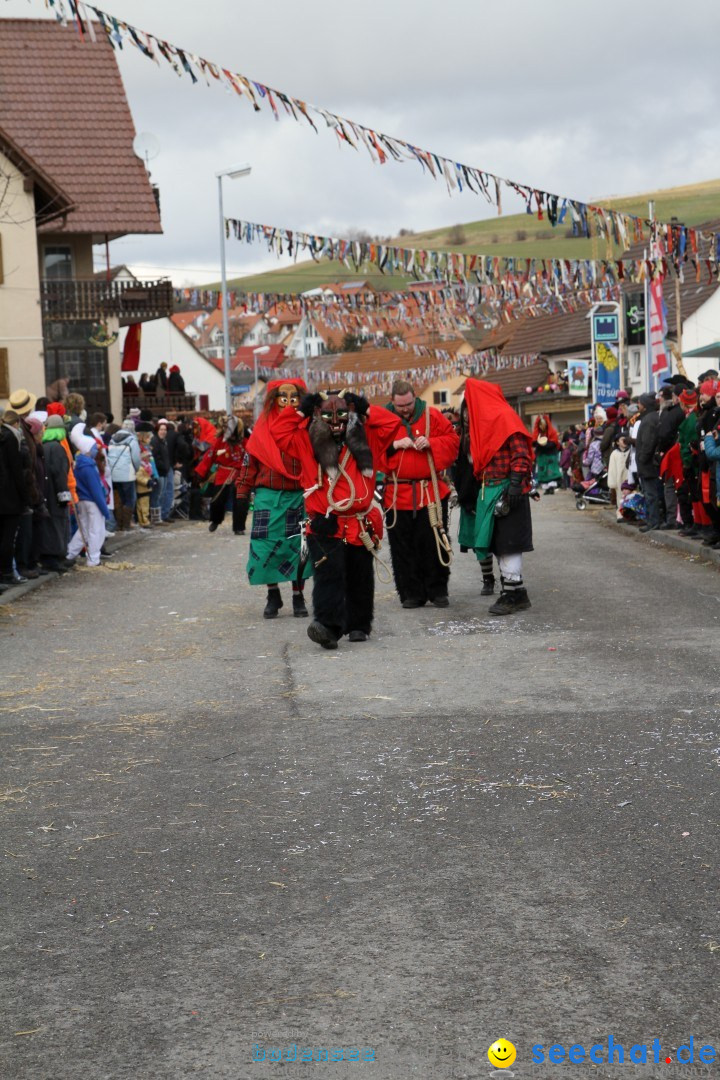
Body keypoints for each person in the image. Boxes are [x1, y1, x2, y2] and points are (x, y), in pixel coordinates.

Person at [271, 387, 402, 647]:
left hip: (359, 522)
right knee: (328, 574)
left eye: (342, 414)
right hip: (326, 522)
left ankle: (359, 625)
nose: (336, 422)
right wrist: (300, 409)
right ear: (316, 415)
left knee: (359, 574)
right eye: (328, 416)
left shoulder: (367, 438)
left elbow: (393, 423)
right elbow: (278, 430)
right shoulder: (305, 440)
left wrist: (364, 407)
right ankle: (328, 626)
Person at [235, 381, 312, 618]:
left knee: (299, 548)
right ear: (273, 399)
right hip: (268, 497)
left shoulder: (307, 427)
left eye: (294, 396)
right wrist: (241, 495)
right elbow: (249, 464)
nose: (288, 401)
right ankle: (273, 595)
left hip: (298, 495)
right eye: (282, 396)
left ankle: (298, 597)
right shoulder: (262, 429)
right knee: (266, 548)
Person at [382, 380, 458, 608]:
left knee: (434, 541)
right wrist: (394, 445)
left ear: (415, 397)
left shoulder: (432, 415)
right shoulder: (383, 420)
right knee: (403, 546)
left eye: (408, 404)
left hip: (430, 491)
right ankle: (410, 593)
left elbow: (453, 441)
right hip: (397, 494)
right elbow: (371, 448)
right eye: (400, 406)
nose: (405, 409)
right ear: (392, 401)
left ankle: (438, 590)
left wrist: (432, 442)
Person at [460, 379, 534, 615]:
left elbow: (521, 455)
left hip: (506, 489)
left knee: (508, 543)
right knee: (498, 543)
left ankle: (511, 594)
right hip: (489, 488)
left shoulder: (505, 417)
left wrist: (514, 485)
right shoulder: (484, 424)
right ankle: (516, 592)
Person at [196, 415, 248, 534]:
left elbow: (251, 458)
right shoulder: (219, 442)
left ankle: (239, 527)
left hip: (240, 474)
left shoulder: (245, 442)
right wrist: (201, 472)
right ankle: (215, 519)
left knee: (241, 501)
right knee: (217, 500)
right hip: (223, 473)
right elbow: (209, 457)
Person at [65, 436, 110, 566]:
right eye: (94, 448)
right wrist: (104, 510)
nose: (96, 449)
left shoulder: (80, 464)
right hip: (92, 501)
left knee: (83, 530)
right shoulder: (89, 467)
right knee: (96, 530)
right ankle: (93, 559)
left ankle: (70, 553)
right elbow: (96, 490)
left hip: (82, 500)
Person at [0, 410, 31, 589]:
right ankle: (6, 572)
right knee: (8, 537)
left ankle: (4, 572)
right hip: (10, 495)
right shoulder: (11, 438)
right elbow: (16, 471)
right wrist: (24, 497)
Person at [39, 415, 72, 572]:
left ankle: (51, 557)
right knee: (57, 523)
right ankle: (54, 558)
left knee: (49, 524)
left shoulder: (44, 446)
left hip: (45, 491)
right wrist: (64, 495)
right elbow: (60, 473)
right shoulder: (58, 448)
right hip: (55, 492)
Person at [634, 392, 662, 532]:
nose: (637, 405)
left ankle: (653, 522)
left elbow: (648, 443)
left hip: (648, 464)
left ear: (644, 405)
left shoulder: (649, 419)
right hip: (647, 463)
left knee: (651, 494)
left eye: (639, 403)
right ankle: (652, 521)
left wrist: (642, 458)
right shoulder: (649, 418)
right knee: (650, 494)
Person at [108, 422, 141, 530]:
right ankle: (126, 525)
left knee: (119, 499)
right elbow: (136, 458)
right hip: (127, 474)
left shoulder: (112, 439)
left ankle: (119, 524)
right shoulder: (132, 440)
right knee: (130, 499)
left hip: (114, 474)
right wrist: (135, 469)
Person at [531, 415, 562, 492]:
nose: (542, 427)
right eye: (540, 425)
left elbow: (554, 443)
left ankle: (551, 487)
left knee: (551, 470)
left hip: (551, 454)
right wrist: (539, 444)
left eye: (543, 425)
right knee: (543, 470)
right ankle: (546, 488)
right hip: (541, 456)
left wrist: (545, 445)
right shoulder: (537, 433)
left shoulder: (552, 432)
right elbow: (534, 442)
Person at [150, 420, 172, 526]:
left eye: (165, 430)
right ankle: (156, 518)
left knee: (162, 494)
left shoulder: (164, 441)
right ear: (157, 430)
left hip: (164, 471)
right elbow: (155, 458)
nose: (163, 431)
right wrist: (164, 466)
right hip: (159, 472)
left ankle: (159, 517)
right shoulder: (155, 441)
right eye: (161, 429)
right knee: (157, 495)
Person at [608, 432, 630, 522]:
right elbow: (612, 469)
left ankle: (630, 514)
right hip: (619, 480)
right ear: (617, 442)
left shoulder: (630, 451)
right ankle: (620, 513)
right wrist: (612, 482)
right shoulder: (614, 454)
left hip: (629, 478)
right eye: (622, 439)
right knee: (620, 497)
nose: (624, 441)